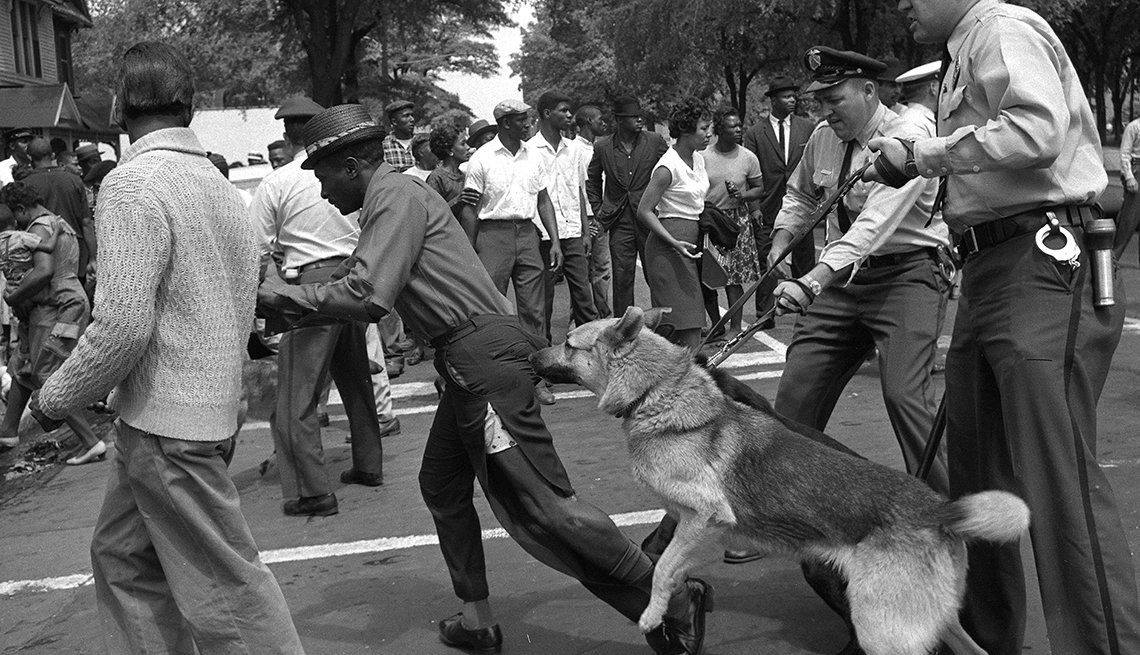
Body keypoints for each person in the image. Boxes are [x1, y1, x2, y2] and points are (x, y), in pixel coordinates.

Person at [256, 102, 712, 655]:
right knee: (442, 487)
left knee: (546, 508)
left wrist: (282, 296)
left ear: (352, 165)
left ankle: (668, 594)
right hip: (468, 360)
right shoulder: (395, 198)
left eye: (324, 176)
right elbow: (368, 292)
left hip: (481, 364)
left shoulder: (394, 196)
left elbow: (368, 293)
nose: (323, 193)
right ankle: (477, 621)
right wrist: (295, 307)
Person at [866, 1, 1140, 653]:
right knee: (981, 479)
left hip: (1038, 264)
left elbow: (1037, 131)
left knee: (1057, 478)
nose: (901, 3)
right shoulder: (969, 45)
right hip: (992, 265)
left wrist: (928, 152)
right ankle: (987, 639)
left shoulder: (999, 30)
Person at [29, 41, 304, 654]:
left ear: (121, 106)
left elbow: (124, 324)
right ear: (190, 107)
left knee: (226, 589)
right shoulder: (215, 184)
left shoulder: (132, 184)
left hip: (169, 421)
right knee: (123, 556)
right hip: (192, 411)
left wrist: (52, 400)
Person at [250, 97, 393, 517]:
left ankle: (312, 490)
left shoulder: (279, 181)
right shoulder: (350, 173)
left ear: (287, 134)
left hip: (307, 285)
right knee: (356, 382)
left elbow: (255, 246)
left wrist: (271, 291)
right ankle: (369, 465)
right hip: (353, 277)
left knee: (296, 398)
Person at [461, 99, 562, 407]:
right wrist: (468, 251)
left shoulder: (534, 155)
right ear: (505, 123)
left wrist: (554, 240)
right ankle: (493, 375)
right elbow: (470, 209)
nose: (527, 124)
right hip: (493, 235)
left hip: (528, 233)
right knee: (491, 308)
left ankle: (537, 378)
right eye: (521, 119)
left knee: (535, 311)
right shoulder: (482, 158)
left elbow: (543, 201)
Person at [0, 183, 104, 464]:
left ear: (20, 209)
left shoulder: (37, 229)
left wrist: (14, 296)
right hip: (62, 303)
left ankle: (91, 441)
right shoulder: (59, 223)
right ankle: (7, 433)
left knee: (47, 375)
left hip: (55, 308)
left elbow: (44, 271)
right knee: (23, 367)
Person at [636, 97, 710, 351]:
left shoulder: (698, 159)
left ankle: (681, 382)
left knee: (692, 323)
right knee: (680, 325)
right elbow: (644, 210)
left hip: (690, 242)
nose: (709, 134)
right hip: (668, 247)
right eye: (703, 128)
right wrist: (673, 242)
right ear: (687, 131)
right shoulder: (667, 166)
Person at [587, 96, 669, 316]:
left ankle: (667, 324)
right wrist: (598, 210)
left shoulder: (654, 141)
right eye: (633, 117)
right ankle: (625, 330)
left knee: (657, 275)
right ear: (619, 120)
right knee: (623, 278)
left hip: (649, 217)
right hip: (619, 220)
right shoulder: (603, 146)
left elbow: (671, 171)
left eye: (639, 115)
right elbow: (592, 180)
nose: (639, 119)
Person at [743, 77, 817, 323]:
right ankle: (765, 314)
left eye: (794, 96)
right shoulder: (755, 132)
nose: (792, 100)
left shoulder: (807, 127)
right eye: (786, 97)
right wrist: (754, 208)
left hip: (802, 204)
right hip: (768, 204)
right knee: (768, 260)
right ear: (773, 100)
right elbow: (749, 174)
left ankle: (807, 312)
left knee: (804, 259)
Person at [529, 90, 598, 343]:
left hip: (572, 232)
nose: (570, 115)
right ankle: (544, 351)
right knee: (543, 299)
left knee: (583, 296)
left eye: (570, 110)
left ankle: (589, 350)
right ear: (547, 114)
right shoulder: (529, 150)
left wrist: (584, 228)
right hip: (544, 235)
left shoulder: (574, 150)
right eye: (564, 110)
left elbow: (579, 190)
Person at [702, 108, 764, 338]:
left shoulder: (748, 157)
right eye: (732, 126)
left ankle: (736, 327)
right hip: (710, 219)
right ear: (719, 129)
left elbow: (759, 188)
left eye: (740, 125)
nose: (738, 130)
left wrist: (744, 197)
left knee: (733, 278)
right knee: (707, 276)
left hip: (736, 221)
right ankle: (717, 325)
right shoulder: (703, 157)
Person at [21, 137, 96, 292]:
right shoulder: (74, 180)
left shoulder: (25, 184)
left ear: (29, 158)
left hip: (41, 255)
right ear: (53, 155)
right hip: (75, 254)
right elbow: (86, 222)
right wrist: (93, 258)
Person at [573, 104, 612, 318]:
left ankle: (603, 313)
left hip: (601, 215)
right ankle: (581, 316)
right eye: (600, 119)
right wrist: (587, 222)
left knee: (602, 268)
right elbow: (580, 187)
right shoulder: (575, 150)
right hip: (585, 217)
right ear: (588, 121)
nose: (603, 123)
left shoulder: (600, 147)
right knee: (583, 271)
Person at [427, 123, 472, 220]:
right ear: (449, 150)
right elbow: (433, 214)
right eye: (463, 143)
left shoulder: (463, 174)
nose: (468, 147)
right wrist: (457, 201)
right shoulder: (436, 178)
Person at [894, 60, 941, 135]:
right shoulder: (914, 123)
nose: (945, 92)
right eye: (943, 87)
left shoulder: (916, 119)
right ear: (933, 88)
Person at [1117, 115, 1140, 259]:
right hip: (1137, 169)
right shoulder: (1134, 126)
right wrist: (1130, 177)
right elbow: (1124, 154)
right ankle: (1114, 256)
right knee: (1129, 218)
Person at [382, 99, 418, 172]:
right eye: (406, 116)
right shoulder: (384, 147)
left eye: (412, 115)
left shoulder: (421, 144)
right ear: (394, 121)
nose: (412, 119)